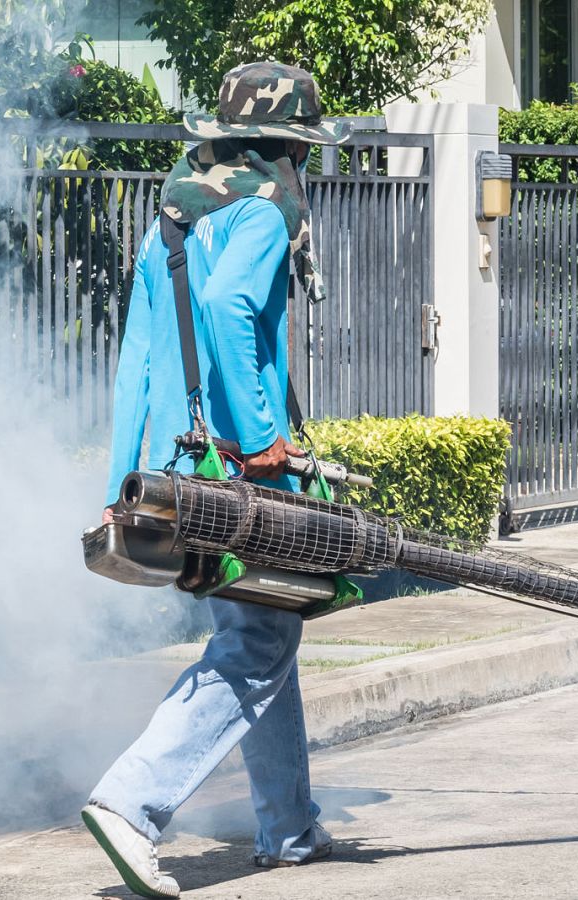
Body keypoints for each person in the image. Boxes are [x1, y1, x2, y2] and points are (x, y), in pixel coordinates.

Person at [80, 61, 351, 899]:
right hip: (237, 467)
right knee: (257, 641)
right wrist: (267, 442)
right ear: (288, 145)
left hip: (173, 465)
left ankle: (290, 825)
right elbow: (235, 308)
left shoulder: (171, 215)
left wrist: (121, 476)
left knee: (271, 617)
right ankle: (134, 800)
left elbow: (132, 361)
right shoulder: (265, 210)